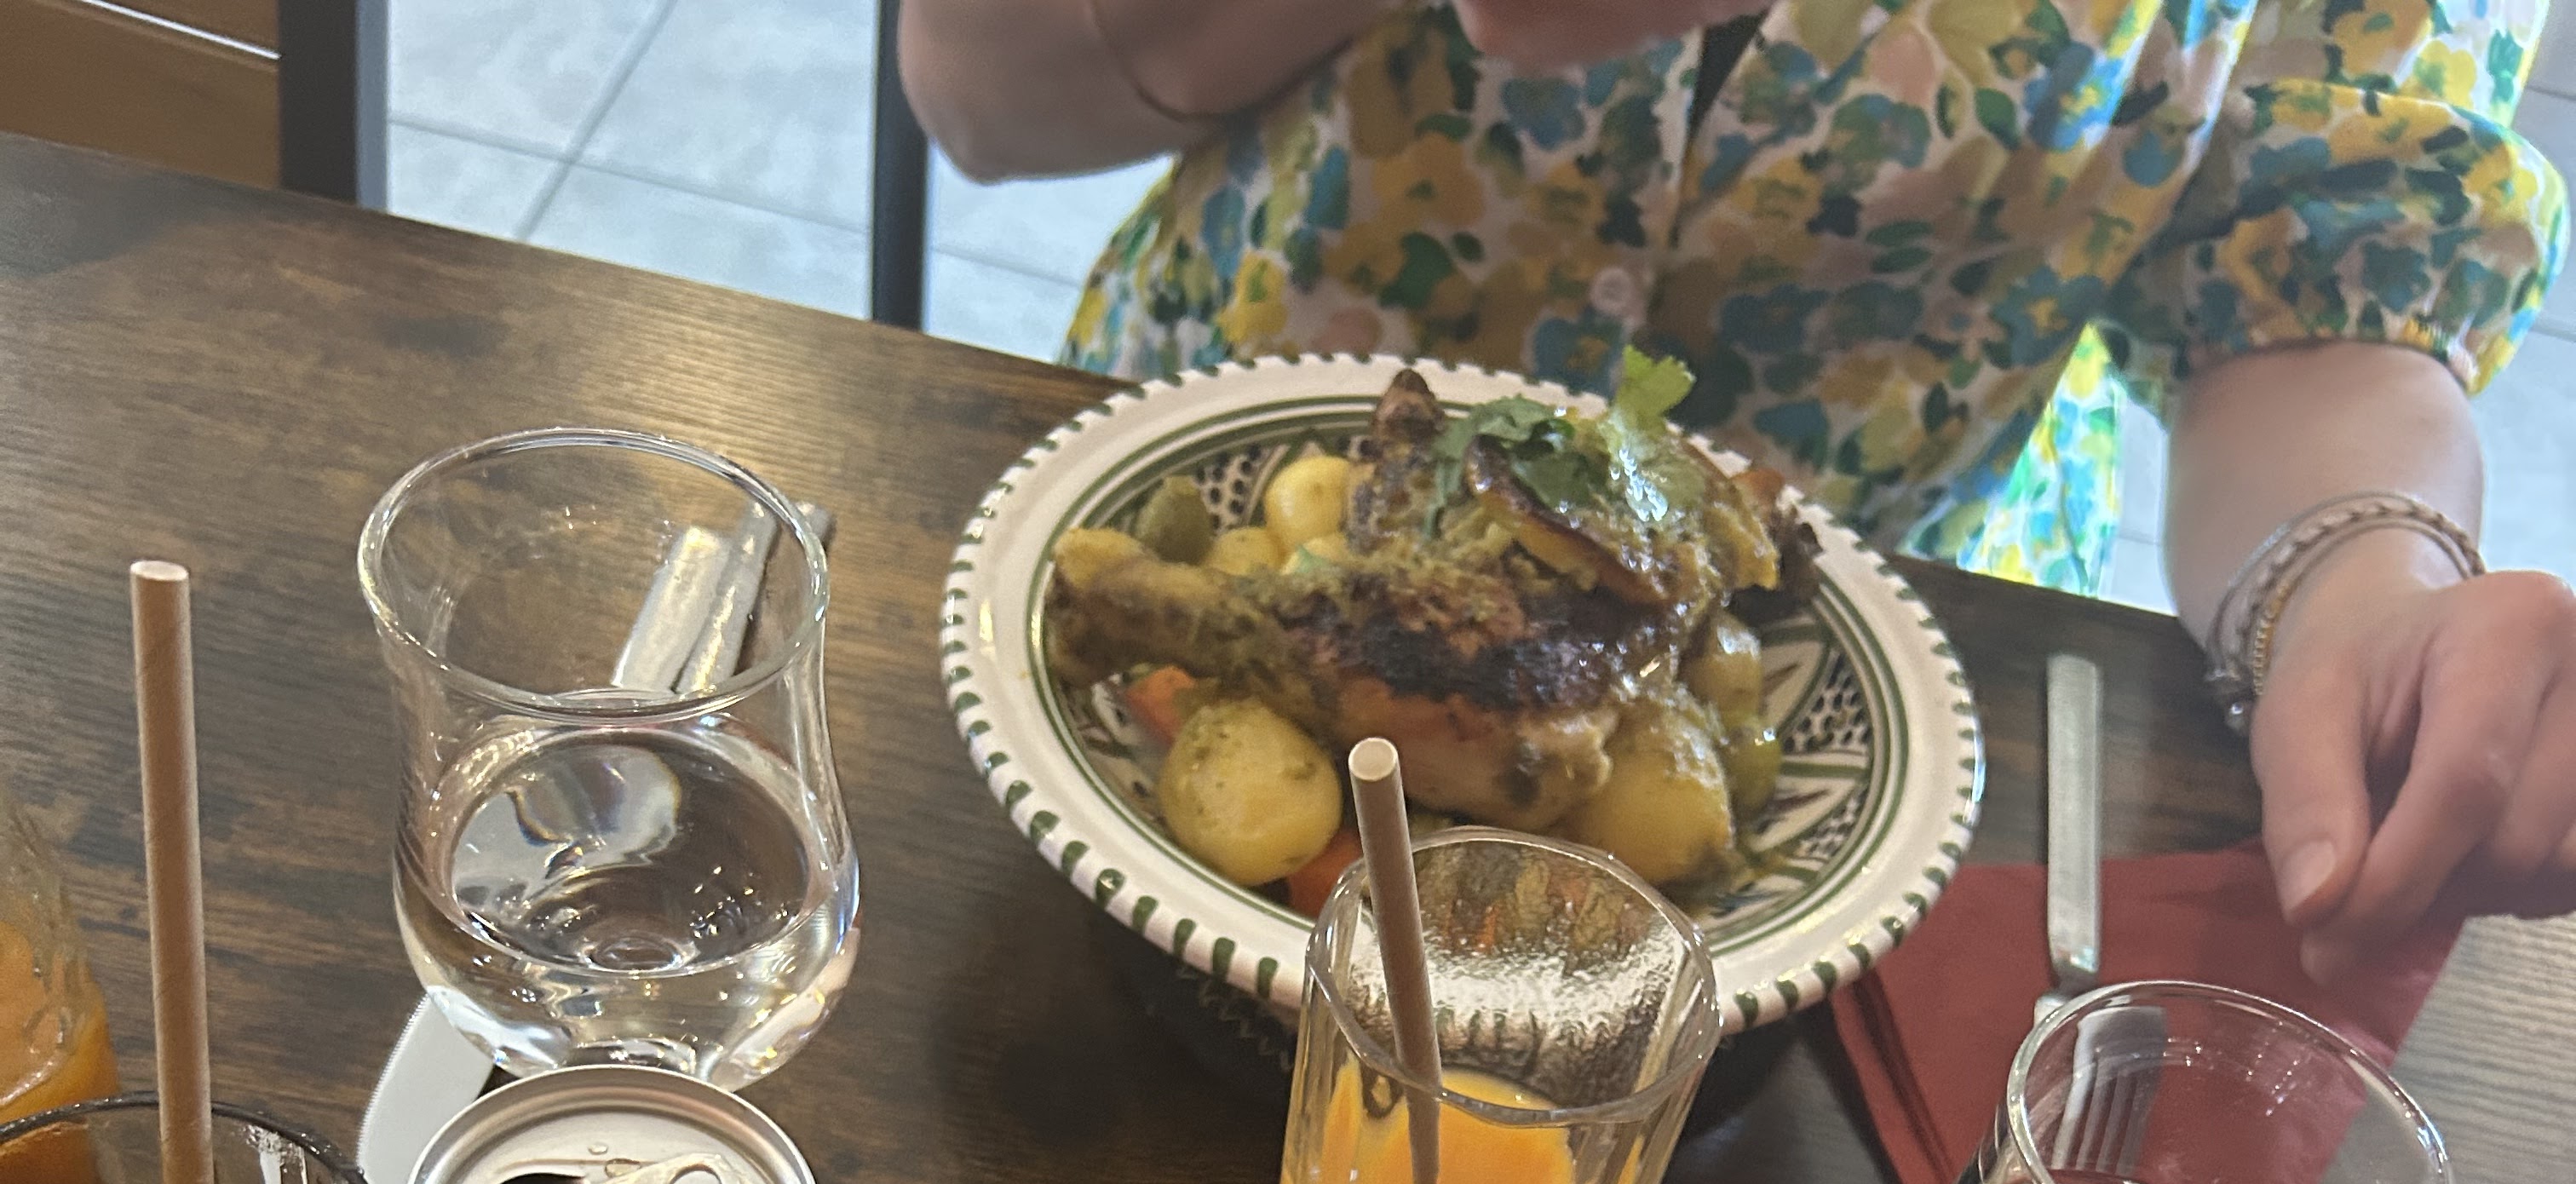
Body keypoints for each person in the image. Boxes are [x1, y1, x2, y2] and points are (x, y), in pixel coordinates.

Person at [900, 0, 2576, 987]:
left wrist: (2361, 580)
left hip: (1886, 678)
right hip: (1203, 463)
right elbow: (974, 86)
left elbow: (2323, 283)